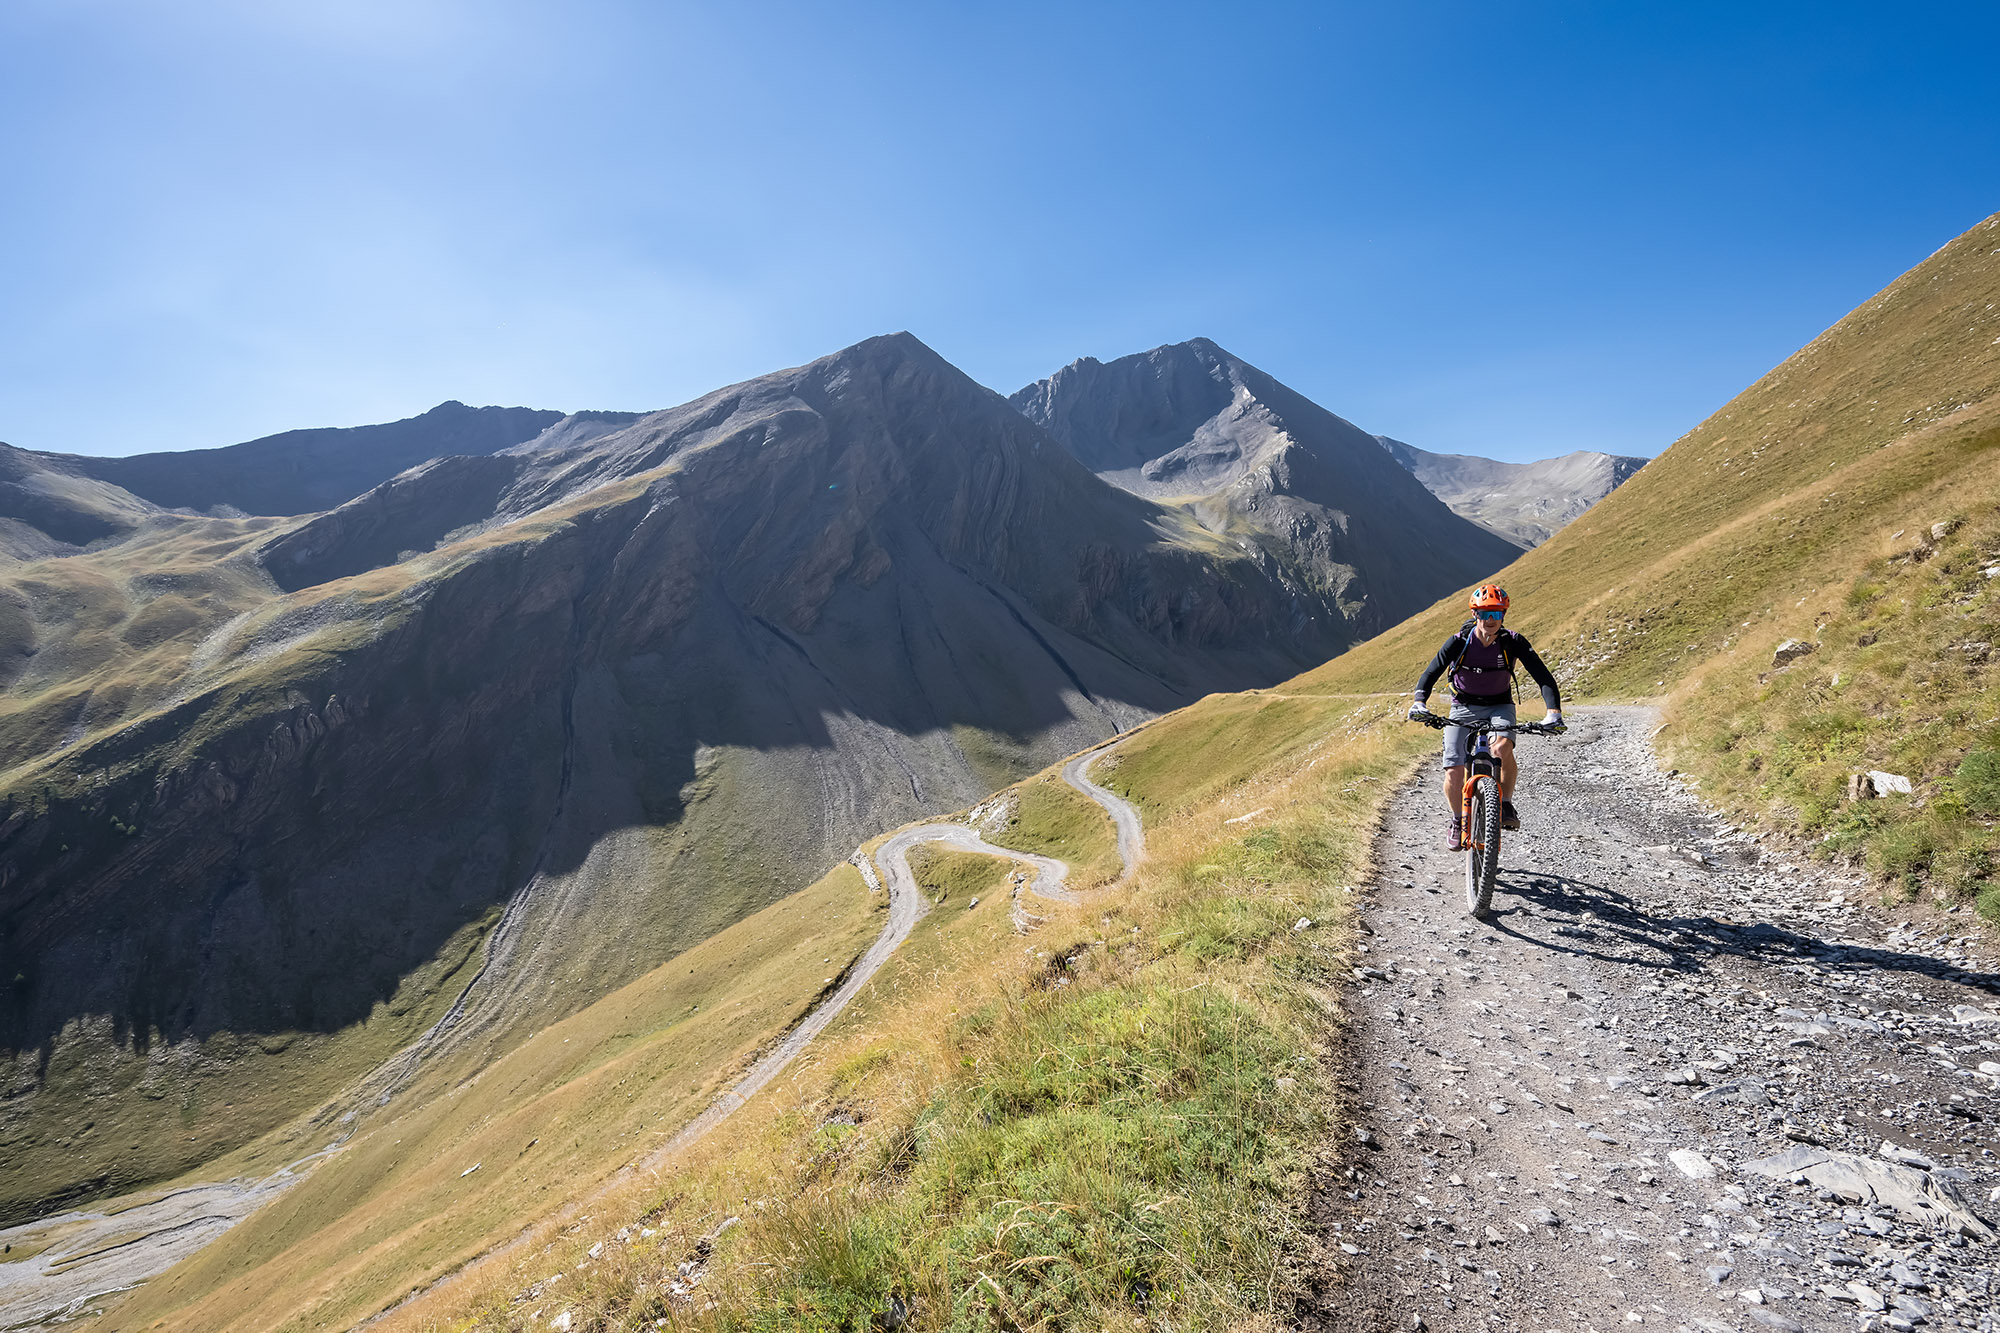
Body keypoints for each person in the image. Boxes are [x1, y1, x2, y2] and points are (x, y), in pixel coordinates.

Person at [1407, 584, 1564, 849]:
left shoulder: (1512, 642)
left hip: (1499, 706)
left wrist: (1553, 713)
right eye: (1483, 613)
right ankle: (1458, 820)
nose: (1489, 620)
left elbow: (1543, 676)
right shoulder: (1459, 641)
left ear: (1503, 614)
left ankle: (1504, 804)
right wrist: (1419, 702)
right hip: (1462, 706)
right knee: (1454, 771)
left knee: (1501, 748)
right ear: (1474, 613)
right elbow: (1431, 672)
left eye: (1496, 614)